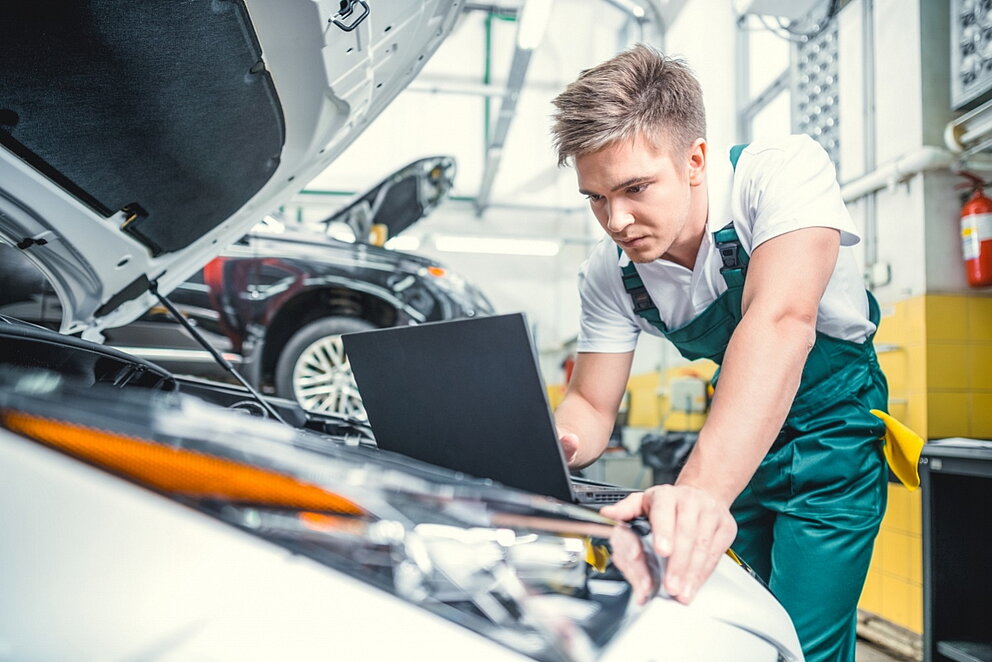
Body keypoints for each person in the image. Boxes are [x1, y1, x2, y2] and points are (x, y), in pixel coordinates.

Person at [550, 44, 889, 662]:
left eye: (634, 188)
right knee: (734, 627)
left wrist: (700, 492)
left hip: (833, 438)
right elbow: (590, 404)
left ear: (696, 160)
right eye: (595, 197)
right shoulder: (609, 273)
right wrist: (552, 445)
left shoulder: (779, 173)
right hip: (741, 441)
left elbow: (781, 322)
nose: (616, 220)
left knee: (801, 644)